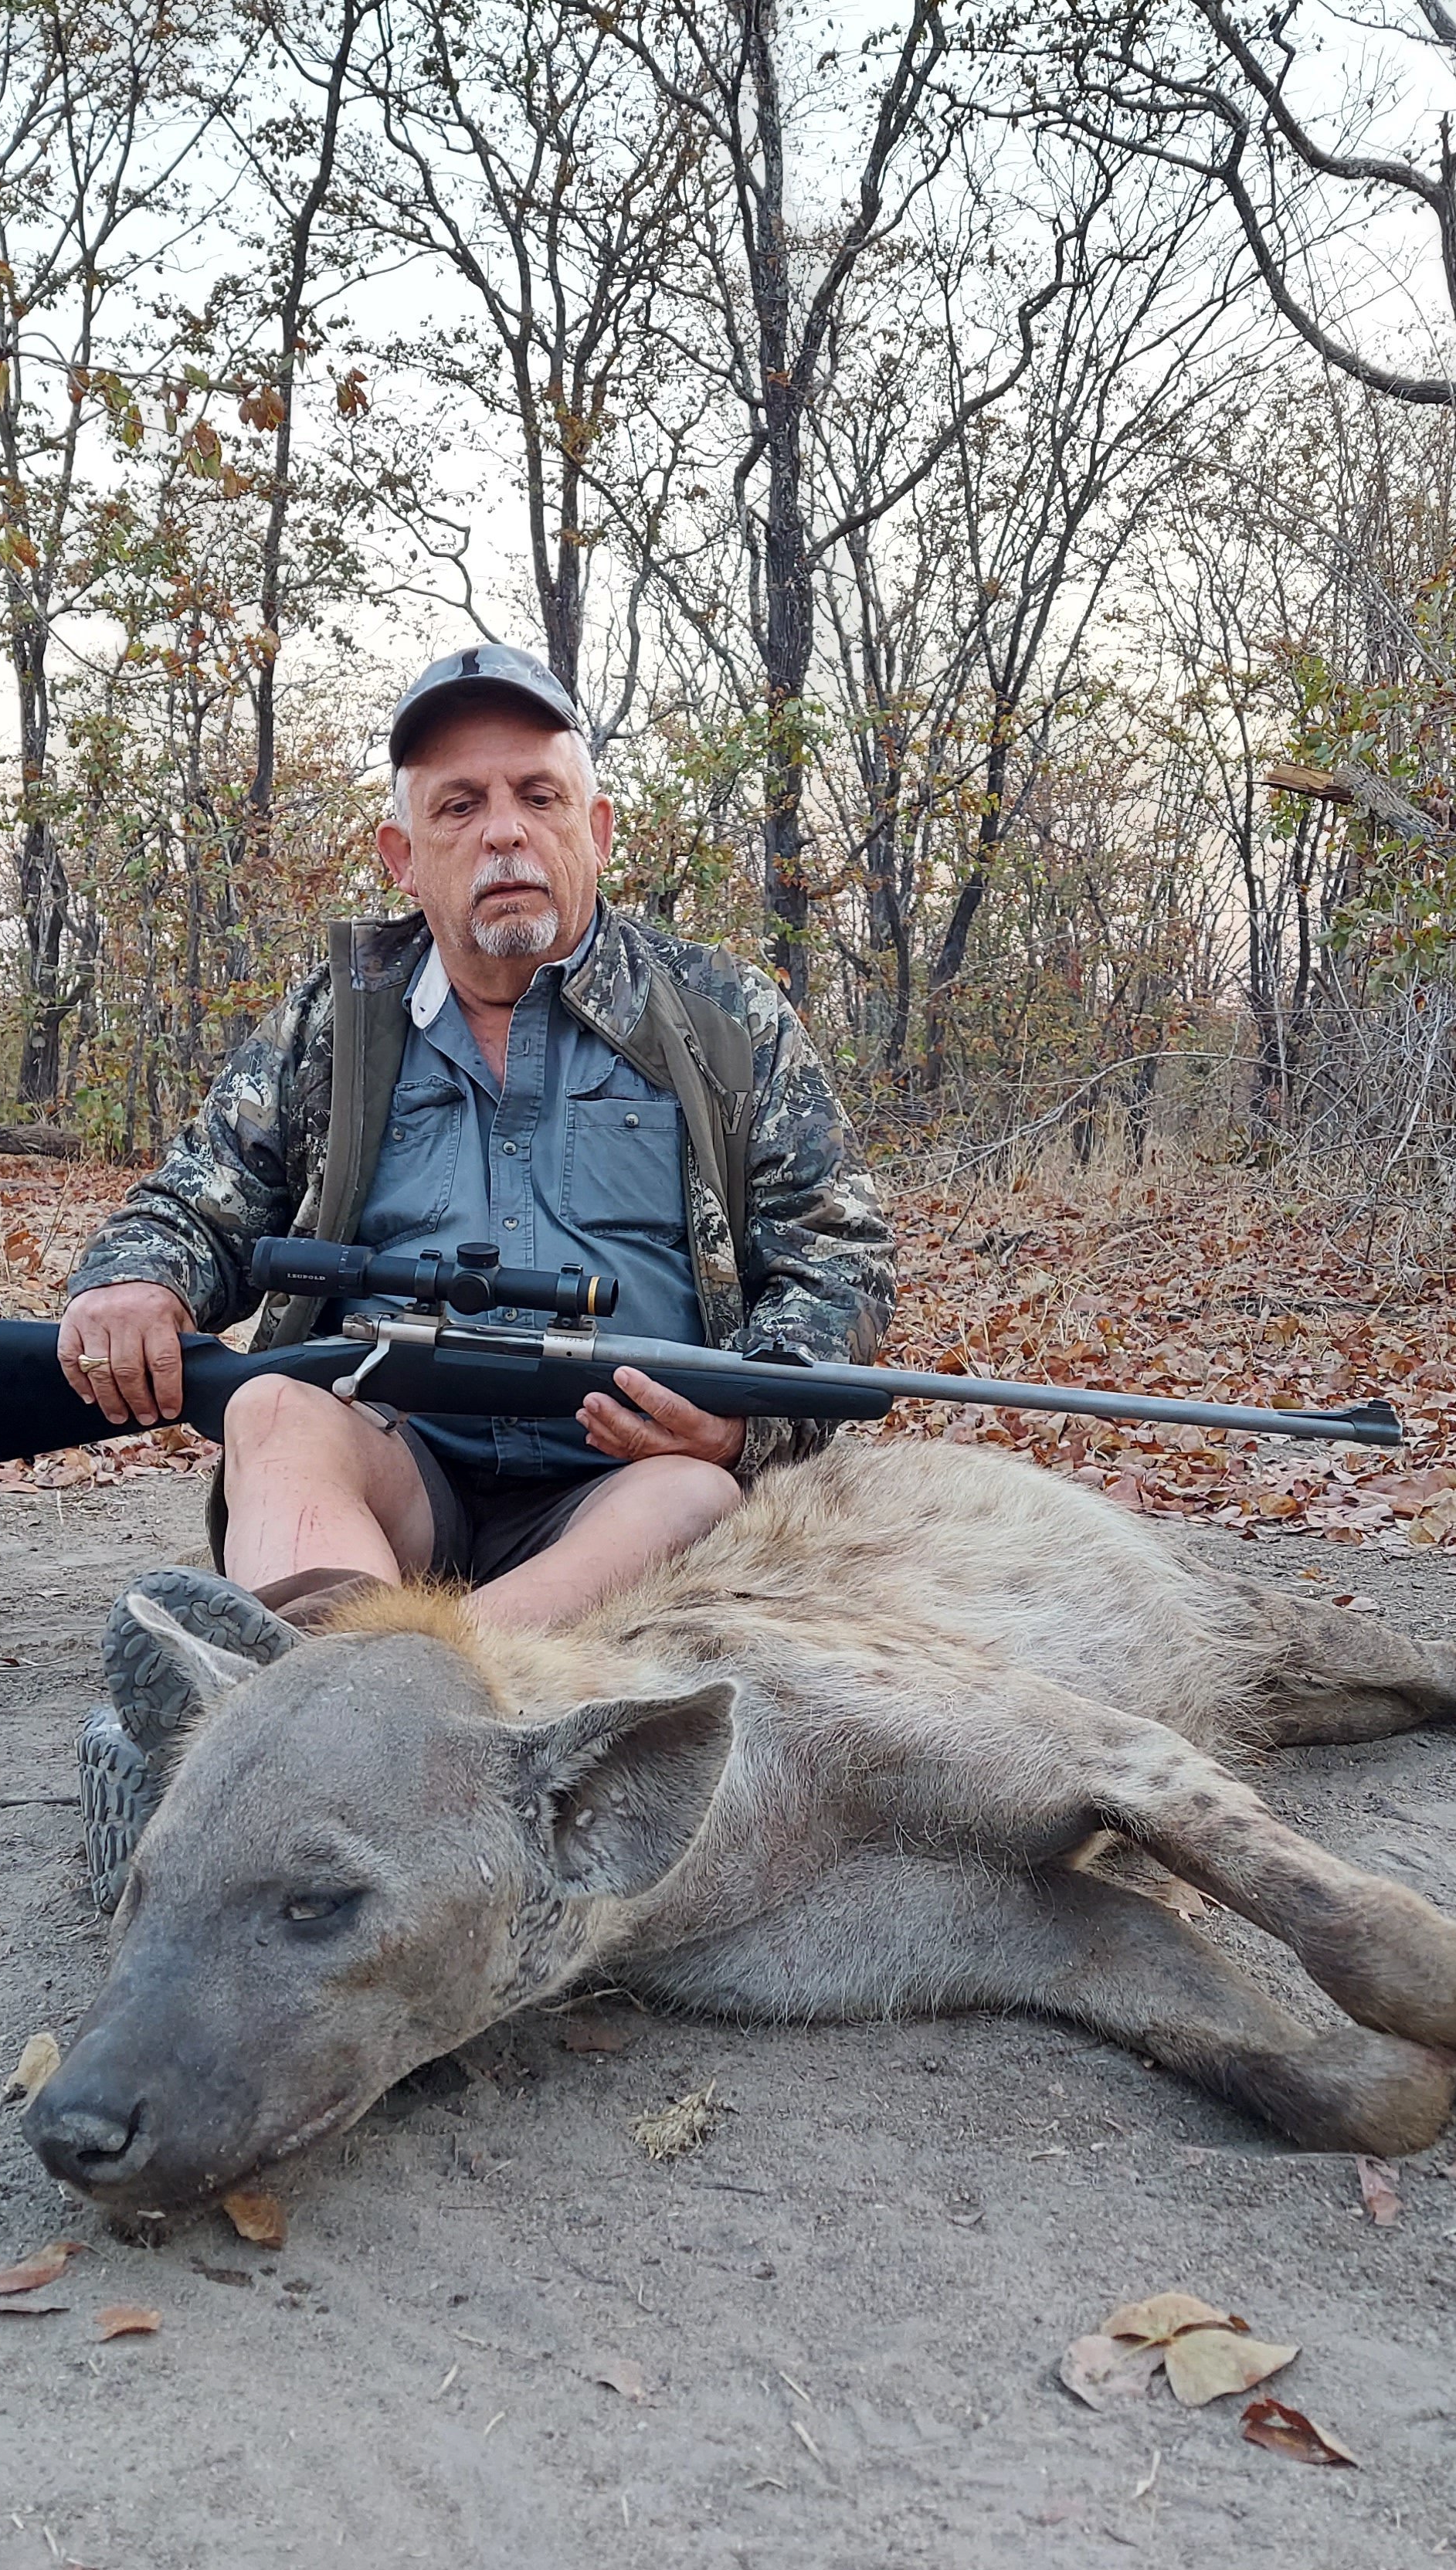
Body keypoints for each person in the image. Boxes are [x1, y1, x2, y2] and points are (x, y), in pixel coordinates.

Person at [54, 643, 894, 1899]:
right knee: (276, 1409)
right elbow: (196, 1202)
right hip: (402, 1470)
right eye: (459, 806)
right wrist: (133, 1283)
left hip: (624, 1483)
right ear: (403, 856)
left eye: (537, 798)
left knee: (693, 1502)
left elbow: (837, 1251)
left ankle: (278, 1745)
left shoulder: (722, 1015)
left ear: (595, 827)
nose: (505, 834)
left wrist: (749, 1408)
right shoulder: (334, 1023)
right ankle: (403, 1742)